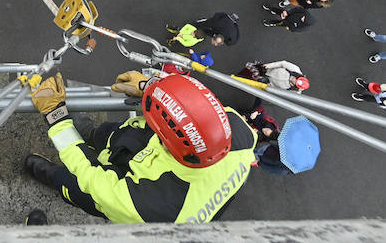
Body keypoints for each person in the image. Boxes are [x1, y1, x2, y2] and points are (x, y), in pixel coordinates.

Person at [23, 72, 255, 223]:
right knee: (106, 135)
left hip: (128, 190)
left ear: (169, 142)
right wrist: (152, 88)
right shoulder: (236, 130)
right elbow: (195, 106)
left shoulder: (152, 205)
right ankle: (93, 135)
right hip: (148, 153)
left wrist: (56, 117)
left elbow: (90, 177)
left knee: (72, 180)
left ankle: (52, 175)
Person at [166, 11, 239, 49]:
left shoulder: (231, 41)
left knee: (205, 29)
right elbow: (218, 15)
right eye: (215, 42)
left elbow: (237, 33)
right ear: (215, 35)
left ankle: (232, 19)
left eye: (216, 44)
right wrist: (196, 27)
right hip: (220, 21)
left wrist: (235, 25)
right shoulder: (214, 23)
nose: (215, 44)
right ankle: (200, 21)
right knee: (201, 24)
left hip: (229, 26)